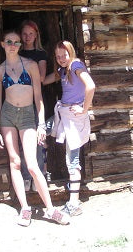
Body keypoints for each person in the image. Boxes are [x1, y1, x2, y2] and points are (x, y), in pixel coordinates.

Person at [0, 30, 70, 226]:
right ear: (2, 44)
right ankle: (25, 208)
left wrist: (41, 123)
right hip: (7, 116)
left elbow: (38, 98)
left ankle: (51, 209)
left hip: (28, 115)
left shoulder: (31, 65)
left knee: (33, 164)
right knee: (15, 161)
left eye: (17, 42)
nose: (13, 45)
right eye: (9, 41)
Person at [43, 40, 95, 217]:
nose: (61, 59)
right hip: (63, 114)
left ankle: (74, 203)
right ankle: (44, 171)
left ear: (70, 53)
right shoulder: (63, 70)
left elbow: (91, 86)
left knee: (72, 160)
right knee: (42, 131)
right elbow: (44, 80)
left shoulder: (75, 65)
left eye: (64, 55)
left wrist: (84, 109)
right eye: (58, 57)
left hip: (74, 117)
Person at [18, 19, 48, 192]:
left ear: (36, 35)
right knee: (22, 141)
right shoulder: (17, 52)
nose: (28, 37)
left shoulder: (40, 54)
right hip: (19, 100)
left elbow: (42, 78)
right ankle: (25, 176)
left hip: (35, 99)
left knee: (37, 140)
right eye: (24, 34)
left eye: (31, 33)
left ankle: (38, 177)